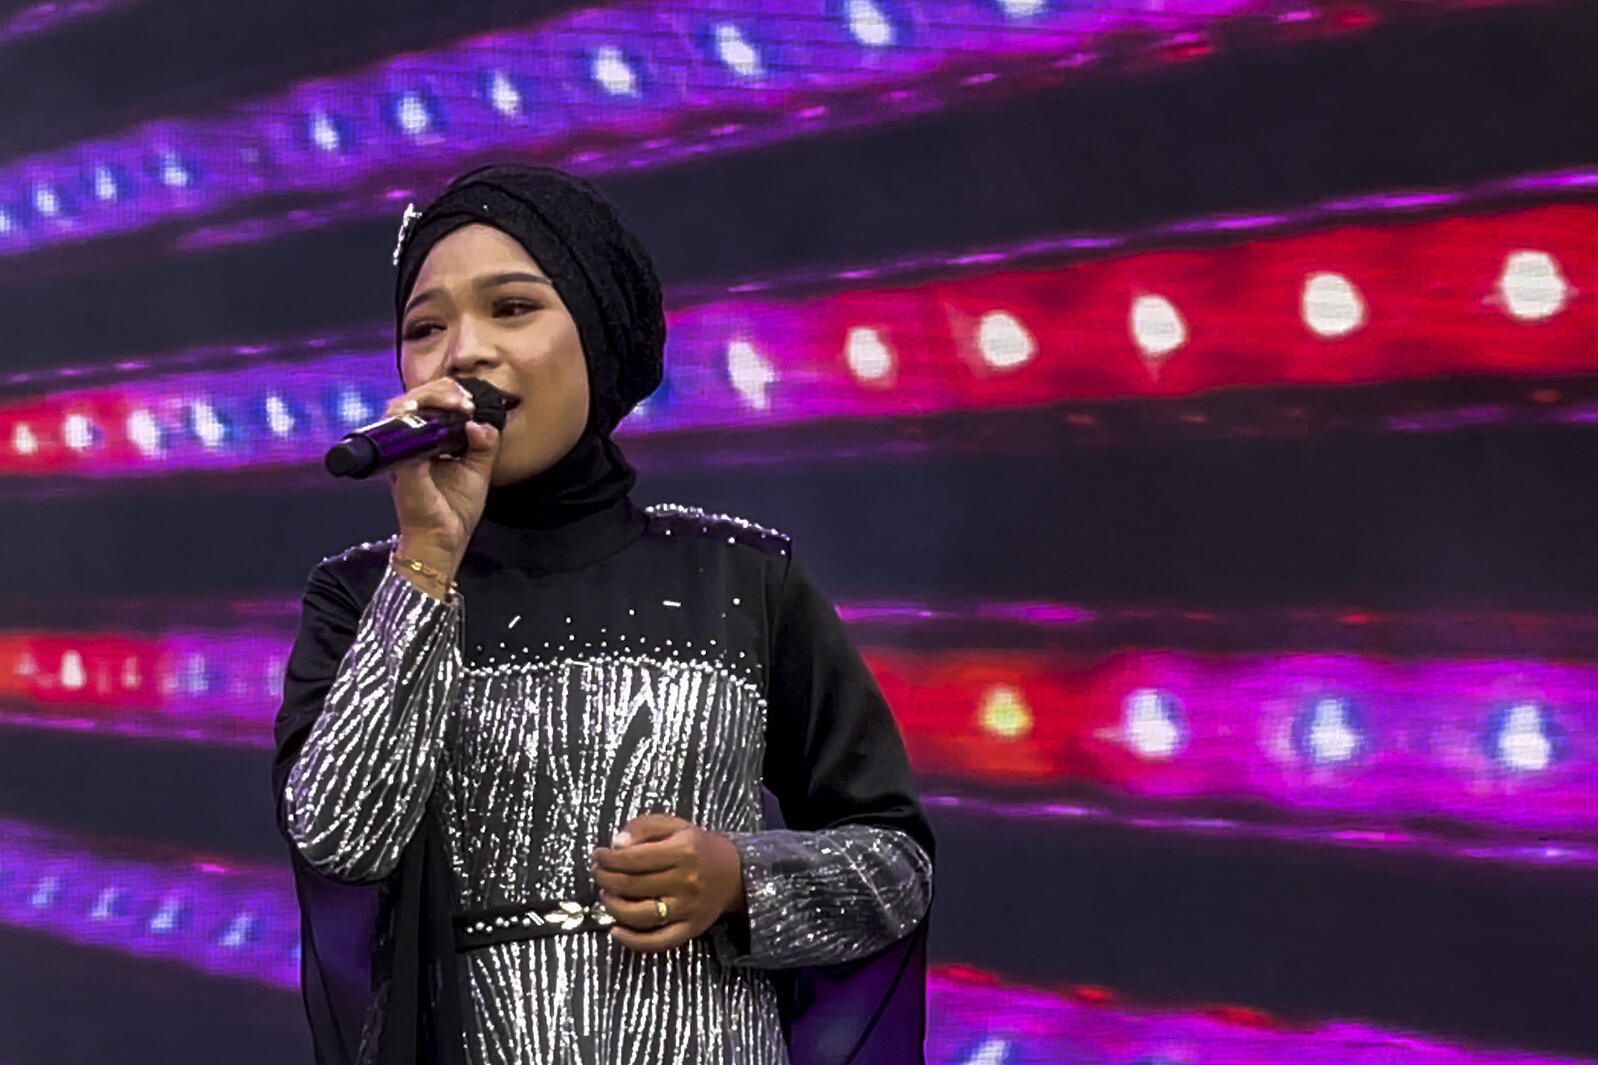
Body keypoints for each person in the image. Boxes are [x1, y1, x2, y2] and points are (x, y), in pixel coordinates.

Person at [270, 165, 935, 1065]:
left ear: (598, 331)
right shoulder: (362, 596)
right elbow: (341, 842)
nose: (463, 353)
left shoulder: (741, 576)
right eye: (425, 328)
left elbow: (896, 864)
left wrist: (741, 879)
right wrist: (426, 558)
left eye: (512, 308)